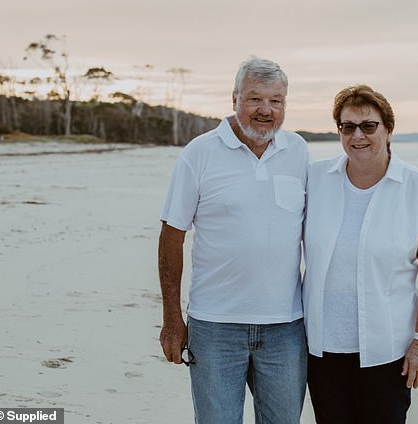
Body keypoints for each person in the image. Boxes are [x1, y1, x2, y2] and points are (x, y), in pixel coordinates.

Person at [158, 57, 309, 424]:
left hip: (286, 328)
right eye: (255, 98)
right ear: (234, 99)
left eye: (276, 100)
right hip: (214, 326)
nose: (266, 110)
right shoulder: (200, 153)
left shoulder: (299, 152)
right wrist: (172, 319)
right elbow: (171, 237)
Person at [302, 84, 418, 423]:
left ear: (387, 129)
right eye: (347, 126)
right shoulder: (315, 179)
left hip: (388, 352)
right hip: (322, 351)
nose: (358, 136)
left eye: (368, 126)